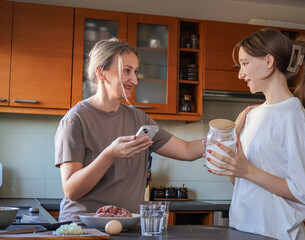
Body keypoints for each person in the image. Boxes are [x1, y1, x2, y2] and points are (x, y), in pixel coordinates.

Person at [55, 38, 204, 224]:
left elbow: (187, 150)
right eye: (127, 71)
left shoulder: (139, 119)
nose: (134, 80)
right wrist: (109, 154)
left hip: (128, 228)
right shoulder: (76, 119)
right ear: (101, 73)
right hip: (83, 229)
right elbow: (71, 190)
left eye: (135, 71)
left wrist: (225, 139)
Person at [206, 28, 305, 240]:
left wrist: (247, 170)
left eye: (245, 63)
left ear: (269, 61)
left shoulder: (293, 116)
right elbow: (245, 182)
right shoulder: (253, 114)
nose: (240, 73)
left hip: (277, 234)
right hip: (244, 230)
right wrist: (230, 166)